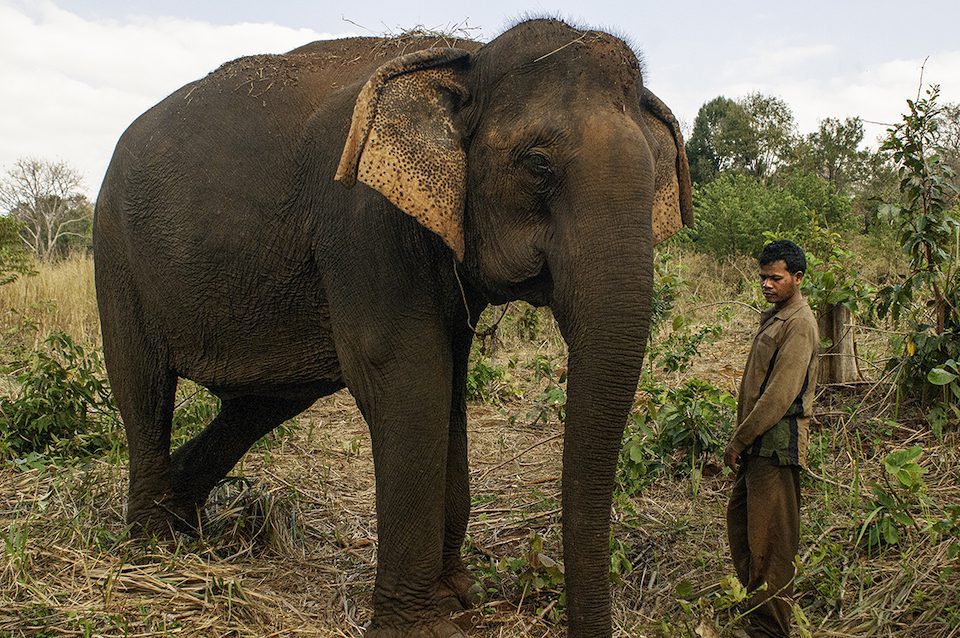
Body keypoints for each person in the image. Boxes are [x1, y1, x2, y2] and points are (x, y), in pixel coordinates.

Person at [723, 240, 819, 637]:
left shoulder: (799, 324)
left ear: (797, 278)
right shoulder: (777, 316)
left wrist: (738, 441)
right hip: (760, 445)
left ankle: (770, 628)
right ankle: (755, 612)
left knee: (772, 543)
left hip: (775, 446)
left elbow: (778, 396)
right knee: (744, 528)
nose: (766, 284)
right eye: (763, 277)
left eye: (775, 278)